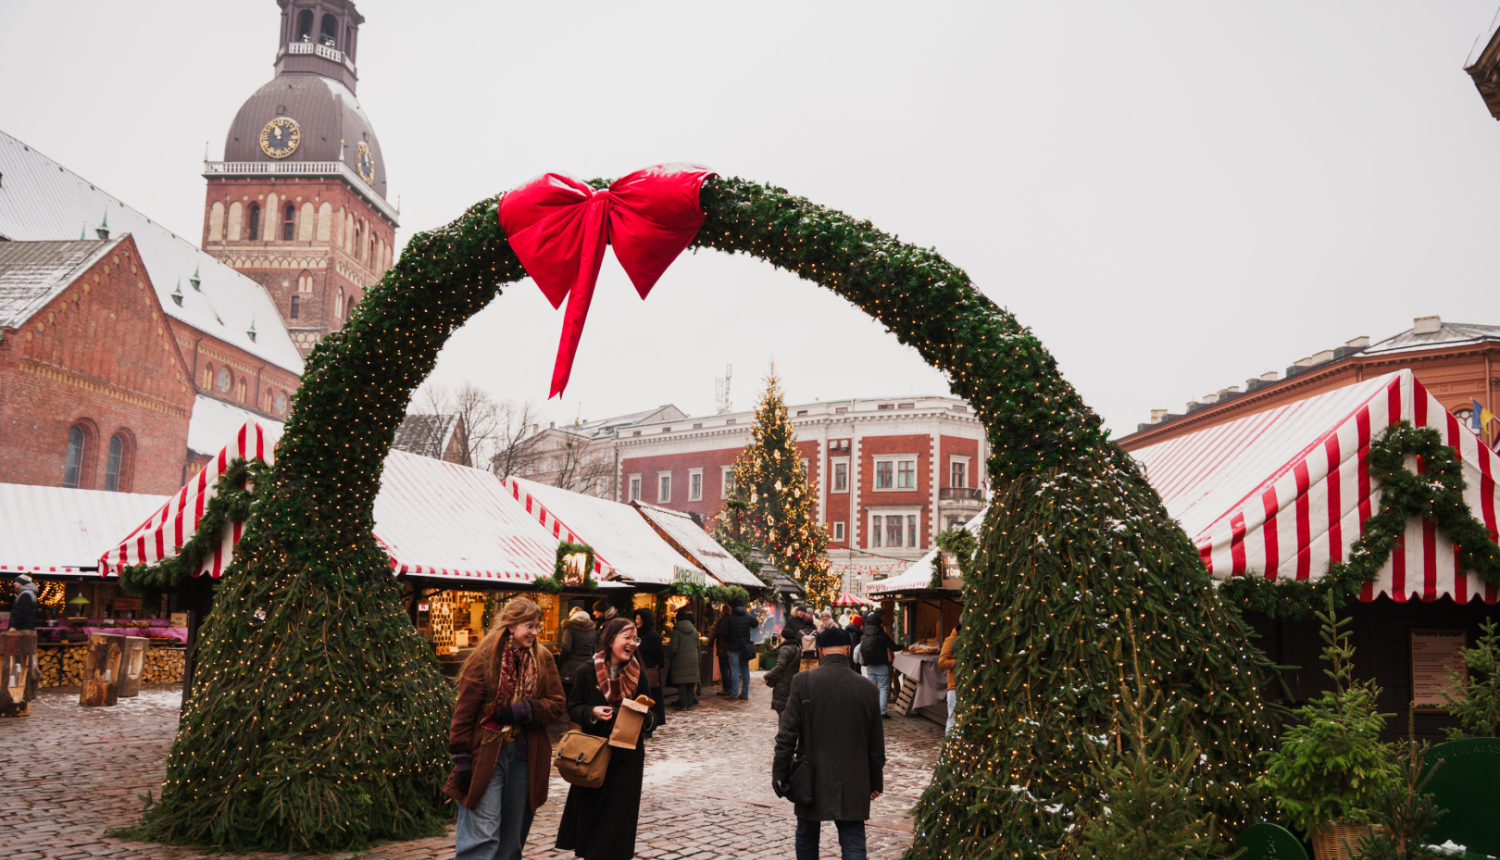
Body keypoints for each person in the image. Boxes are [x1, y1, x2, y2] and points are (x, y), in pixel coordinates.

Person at [445, 597, 567, 860]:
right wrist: (462, 761)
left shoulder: (543, 658)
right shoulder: (485, 657)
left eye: (537, 626)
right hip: (486, 755)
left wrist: (526, 709)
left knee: (512, 840)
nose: (534, 632)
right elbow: (463, 714)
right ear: (511, 626)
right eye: (528, 626)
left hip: (525, 756)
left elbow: (558, 704)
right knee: (482, 836)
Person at [773, 627, 885, 860]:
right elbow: (875, 744)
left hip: (811, 774)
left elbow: (787, 735)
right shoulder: (867, 688)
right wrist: (875, 781)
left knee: (806, 834)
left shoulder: (803, 681)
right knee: (853, 839)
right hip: (854, 776)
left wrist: (780, 773)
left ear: (820, 651)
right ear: (848, 650)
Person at [555, 617, 657, 860]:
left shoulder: (638, 674)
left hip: (627, 757)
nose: (631, 643)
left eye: (635, 639)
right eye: (626, 637)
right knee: (592, 811)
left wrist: (643, 714)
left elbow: (655, 717)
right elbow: (573, 708)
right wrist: (592, 712)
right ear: (611, 640)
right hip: (594, 754)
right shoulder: (586, 672)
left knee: (619, 816)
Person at [633, 607, 667, 733]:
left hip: (650, 671)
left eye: (639, 618)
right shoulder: (636, 634)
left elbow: (660, 655)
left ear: (645, 620)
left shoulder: (653, 635)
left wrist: (656, 667)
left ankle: (654, 720)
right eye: (636, 618)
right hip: (638, 670)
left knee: (653, 697)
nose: (636, 621)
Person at [859, 611, 896, 719]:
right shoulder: (882, 635)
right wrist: (902, 647)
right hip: (882, 665)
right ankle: (882, 712)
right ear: (880, 624)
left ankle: (871, 711)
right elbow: (893, 647)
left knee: (872, 688)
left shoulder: (864, 635)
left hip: (870, 665)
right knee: (883, 688)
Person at [665, 609, 701, 710]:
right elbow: (698, 647)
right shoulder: (694, 631)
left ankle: (683, 704)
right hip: (693, 659)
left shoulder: (676, 631)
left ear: (677, 620)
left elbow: (673, 648)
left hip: (680, 660)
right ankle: (689, 704)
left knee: (682, 683)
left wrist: (670, 658)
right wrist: (698, 660)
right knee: (690, 682)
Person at [763, 622, 802, 714]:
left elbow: (780, 666)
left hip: (783, 681)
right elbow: (788, 659)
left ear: (784, 637)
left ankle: (783, 724)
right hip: (792, 679)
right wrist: (776, 648)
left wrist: (766, 676)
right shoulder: (797, 648)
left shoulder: (784, 649)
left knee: (782, 708)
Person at [558, 606, 597, 696]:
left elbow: (566, 647)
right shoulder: (592, 629)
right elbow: (594, 649)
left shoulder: (569, 628)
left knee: (569, 695)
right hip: (587, 667)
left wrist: (560, 661)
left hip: (570, 669)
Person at [725, 598, 756, 701]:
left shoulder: (730, 618)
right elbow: (755, 624)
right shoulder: (747, 616)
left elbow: (724, 634)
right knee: (745, 670)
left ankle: (734, 694)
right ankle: (745, 694)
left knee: (734, 671)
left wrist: (729, 640)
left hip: (733, 648)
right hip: (744, 648)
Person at [937, 618, 960, 736]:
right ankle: (949, 744)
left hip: (968, 685)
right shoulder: (951, 640)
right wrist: (959, 662)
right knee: (953, 717)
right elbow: (942, 662)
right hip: (955, 685)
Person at [710, 608, 734, 697]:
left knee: (724, 670)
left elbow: (713, 633)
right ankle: (733, 688)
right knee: (732, 669)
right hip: (733, 648)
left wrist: (709, 643)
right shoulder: (734, 620)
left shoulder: (719, 621)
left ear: (722, 611)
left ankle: (726, 689)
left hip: (722, 649)